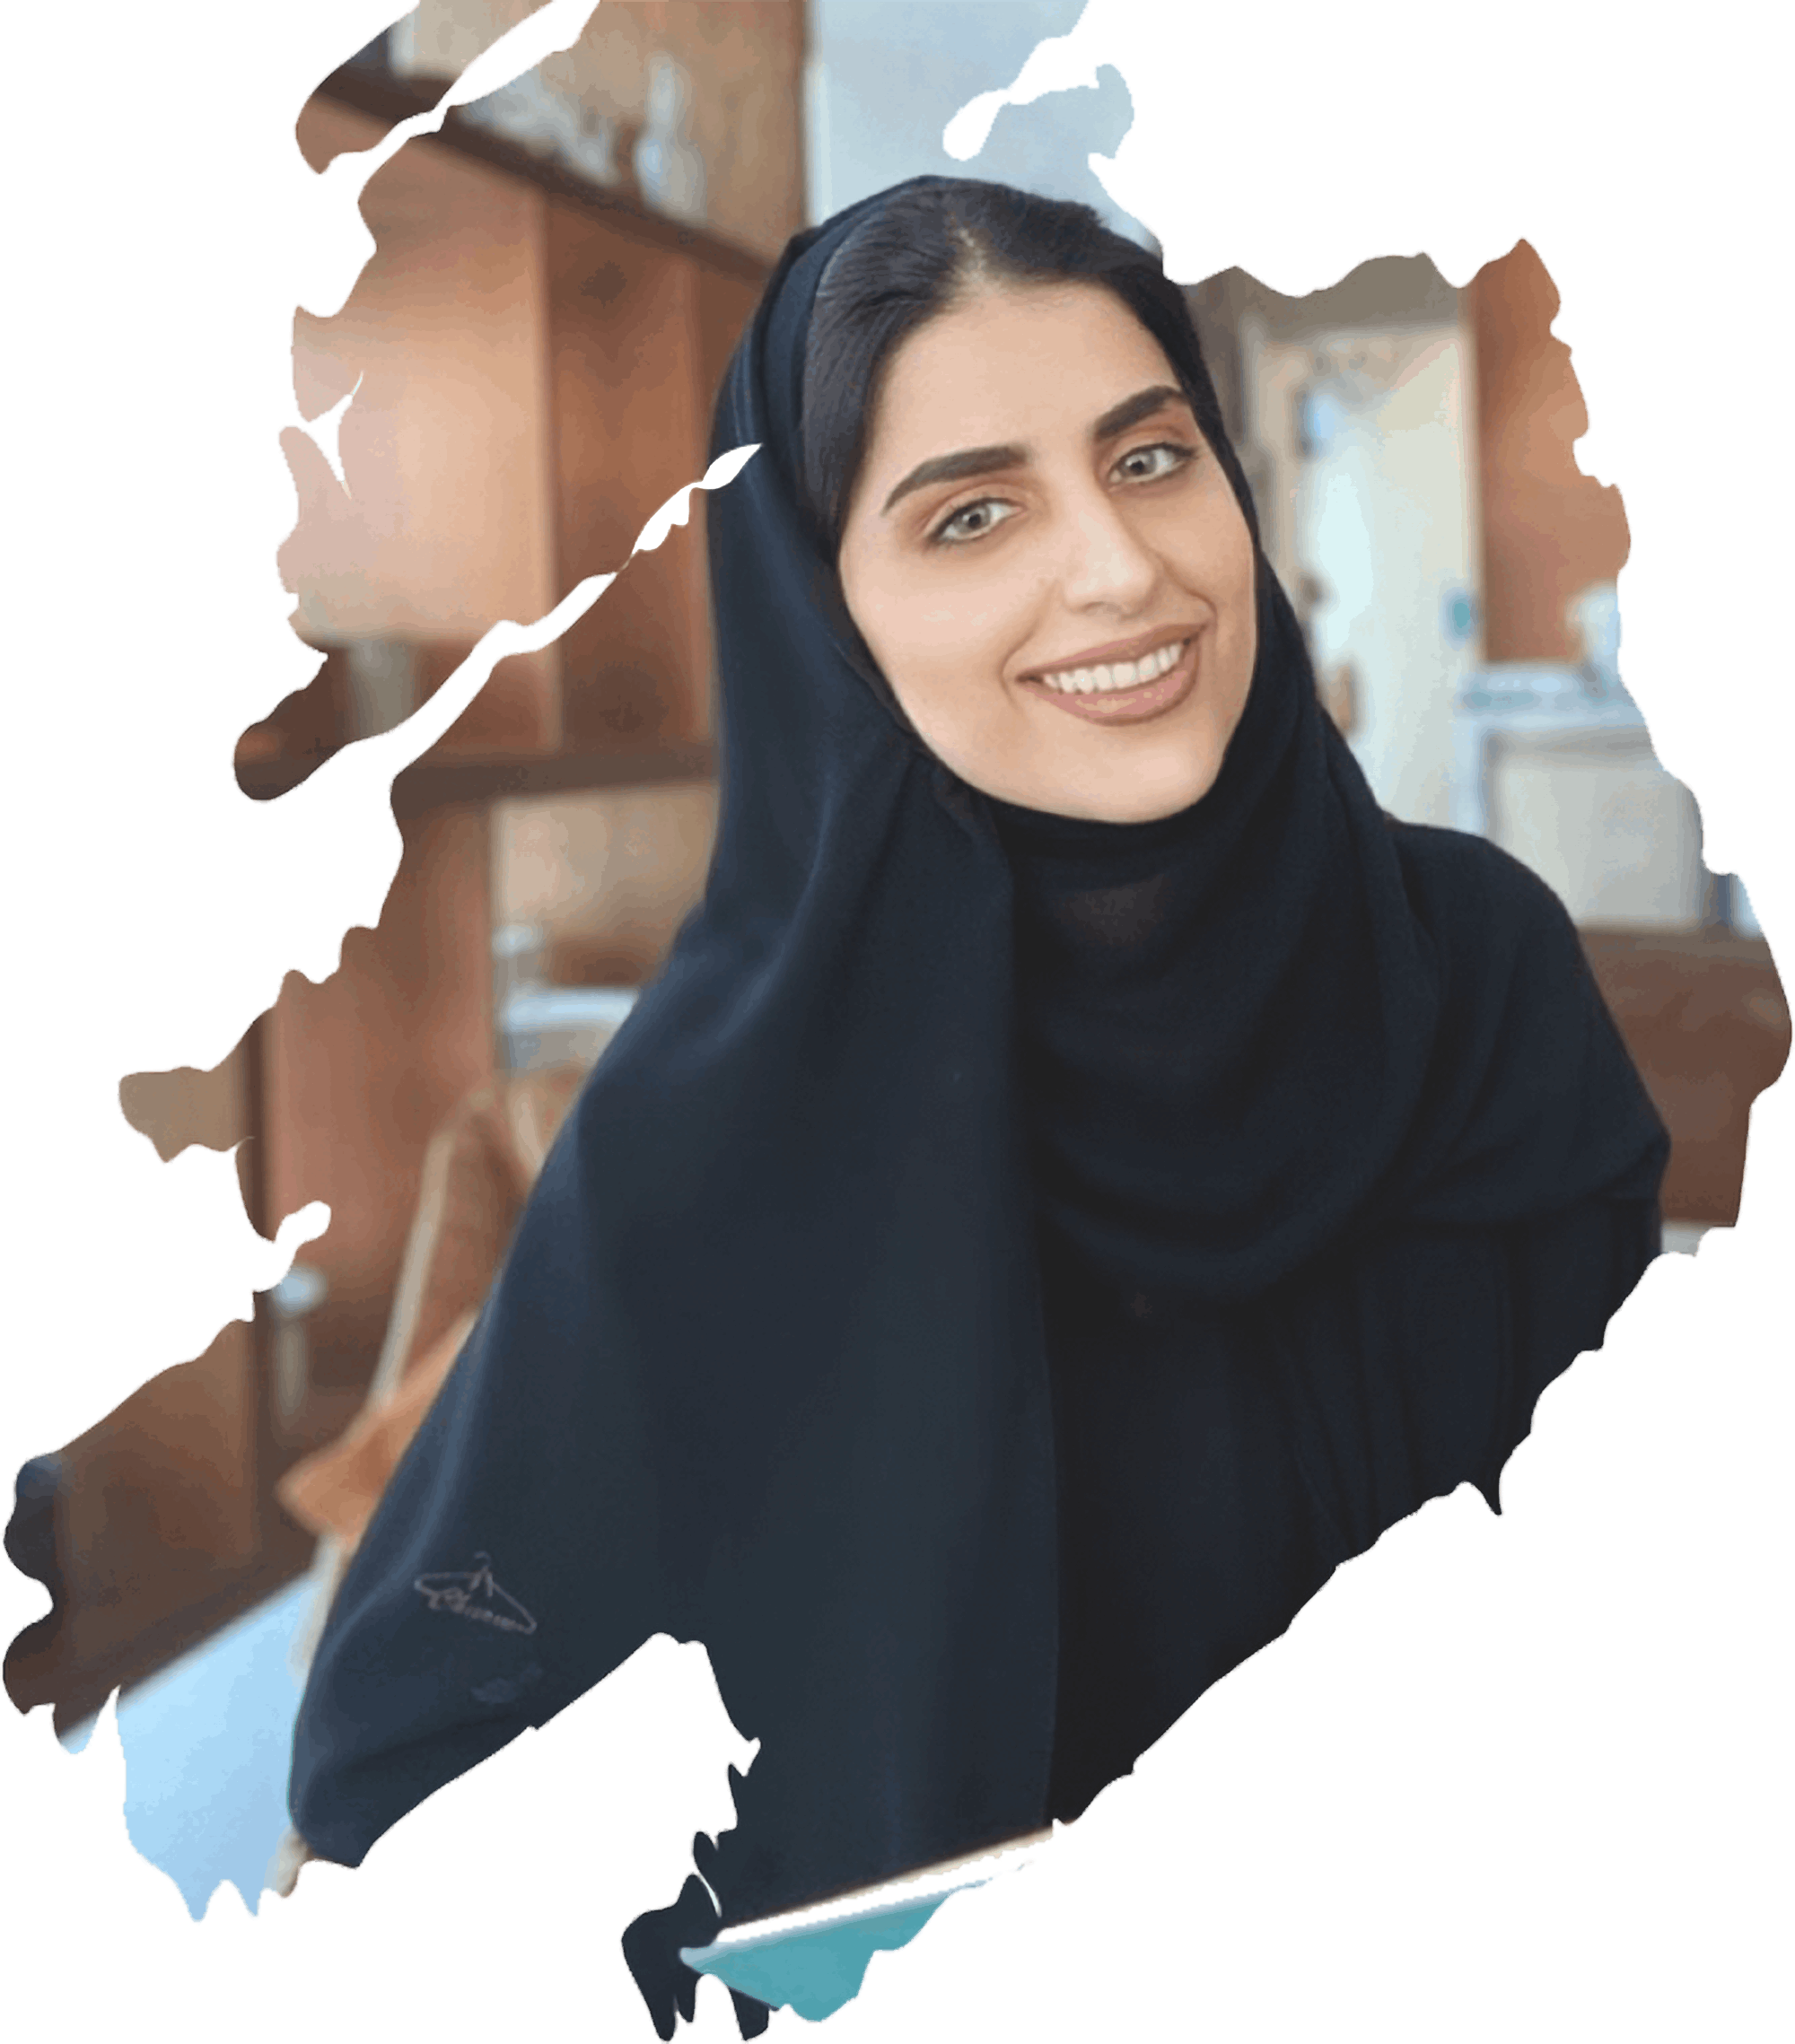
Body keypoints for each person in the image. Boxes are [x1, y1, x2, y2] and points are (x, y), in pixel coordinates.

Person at [281, 178, 1669, 2040]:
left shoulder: (1475, 971)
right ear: (823, 613)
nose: (1119, 570)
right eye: (972, 512)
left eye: (1151, 457)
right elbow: (402, 1775)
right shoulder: (706, 1140)